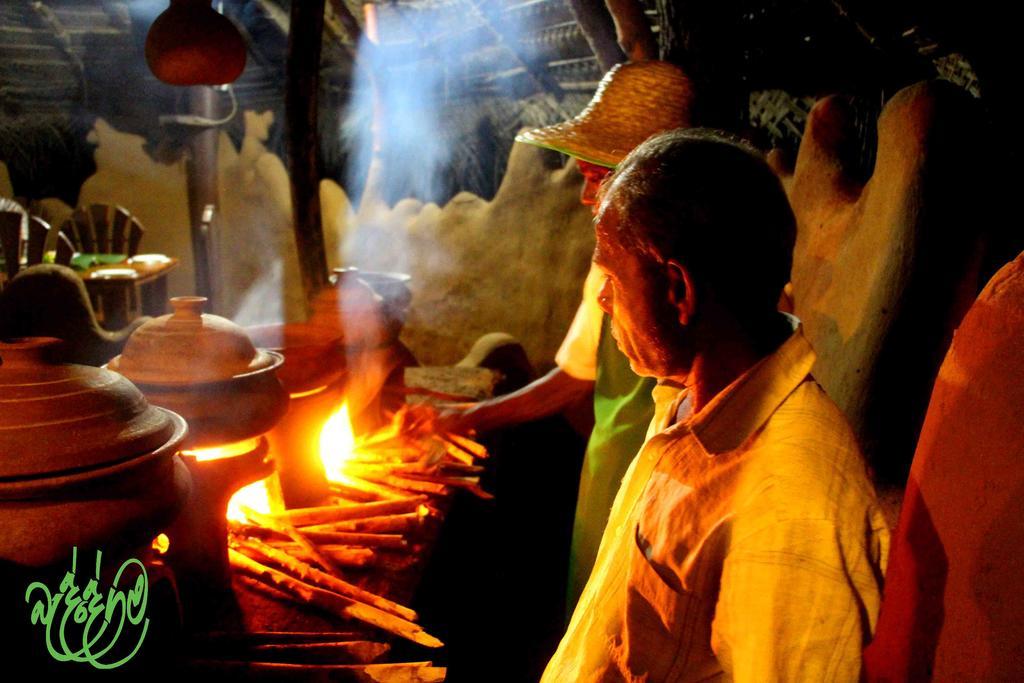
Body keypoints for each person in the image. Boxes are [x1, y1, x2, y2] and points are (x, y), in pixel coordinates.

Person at [543, 128, 890, 681]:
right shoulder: (688, 408)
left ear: (677, 290)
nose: (603, 299)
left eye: (611, 276)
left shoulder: (786, 497)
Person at [442, 61, 694, 610]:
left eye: (598, 179)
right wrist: (463, 418)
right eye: (582, 176)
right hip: (609, 469)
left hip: (681, 487)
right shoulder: (608, 266)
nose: (585, 198)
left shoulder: (711, 281)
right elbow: (576, 377)